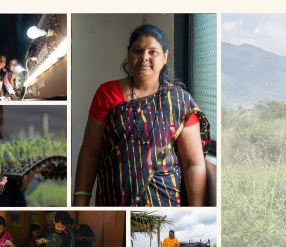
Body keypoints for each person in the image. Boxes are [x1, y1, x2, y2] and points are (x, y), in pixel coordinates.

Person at [73, 24, 211, 206]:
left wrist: (195, 211)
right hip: (113, 202)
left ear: (165, 57)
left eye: (152, 52)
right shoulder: (107, 93)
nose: (144, 58)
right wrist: (79, 204)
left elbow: (193, 164)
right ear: (128, 53)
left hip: (166, 203)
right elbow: (90, 153)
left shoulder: (179, 101)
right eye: (137, 50)